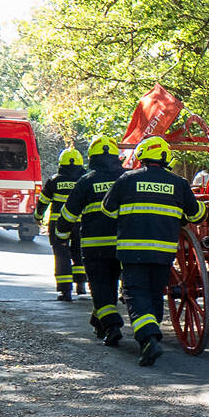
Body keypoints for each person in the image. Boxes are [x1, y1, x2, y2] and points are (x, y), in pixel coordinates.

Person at [98, 137, 205, 367]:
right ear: (166, 158)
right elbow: (196, 215)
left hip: (132, 251)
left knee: (136, 293)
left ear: (141, 156)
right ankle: (152, 333)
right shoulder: (179, 183)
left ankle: (149, 339)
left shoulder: (127, 179)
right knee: (155, 293)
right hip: (163, 253)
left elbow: (107, 210)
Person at [62, 136, 127, 346]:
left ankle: (112, 325)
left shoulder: (86, 181)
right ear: (116, 157)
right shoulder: (128, 178)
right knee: (114, 284)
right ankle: (98, 321)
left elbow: (69, 214)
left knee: (101, 286)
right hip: (126, 244)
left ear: (92, 158)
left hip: (96, 246)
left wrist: (61, 235)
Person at [40, 147, 87, 301]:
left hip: (58, 224)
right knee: (79, 252)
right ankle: (81, 285)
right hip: (81, 223)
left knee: (61, 255)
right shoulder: (85, 180)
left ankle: (65, 291)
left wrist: (38, 216)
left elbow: (43, 201)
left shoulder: (54, 181)